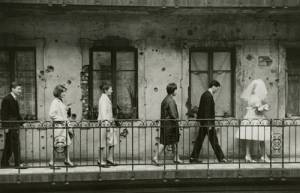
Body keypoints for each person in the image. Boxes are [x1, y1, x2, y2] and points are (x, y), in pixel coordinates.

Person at [190, 80, 229, 163]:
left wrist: (201, 121)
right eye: (217, 89)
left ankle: (193, 158)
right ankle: (222, 158)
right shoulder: (208, 96)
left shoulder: (205, 94)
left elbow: (200, 110)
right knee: (214, 141)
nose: (216, 91)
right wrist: (209, 124)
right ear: (214, 86)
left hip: (204, 123)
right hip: (208, 123)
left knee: (200, 140)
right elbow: (207, 111)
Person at [237, 79, 270, 162]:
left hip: (253, 117)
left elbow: (258, 107)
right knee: (252, 136)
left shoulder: (253, 96)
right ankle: (255, 155)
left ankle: (254, 155)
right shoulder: (255, 97)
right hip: (254, 117)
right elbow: (257, 108)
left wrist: (263, 107)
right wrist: (261, 107)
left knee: (257, 136)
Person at [152, 83, 182, 166]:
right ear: (173, 91)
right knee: (165, 142)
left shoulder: (165, 99)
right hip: (170, 125)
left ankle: (176, 157)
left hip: (166, 124)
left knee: (174, 141)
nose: (176, 91)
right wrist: (178, 121)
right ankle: (156, 157)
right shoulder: (170, 100)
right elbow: (173, 114)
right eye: (176, 90)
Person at [1, 81, 27, 169]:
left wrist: (23, 123)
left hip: (14, 125)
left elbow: (17, 114)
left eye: (20, 89)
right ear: (13, 89)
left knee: (9, 145)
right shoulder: (7, 99)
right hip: (10, 126)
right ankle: (17, 163)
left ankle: (4, 162)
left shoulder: (14, 98)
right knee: (15, 144)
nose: (20, 90)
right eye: (19, 89)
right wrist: (6, 127)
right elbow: (3, 114)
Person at [49, 85, 75, 167]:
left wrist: (67, 109)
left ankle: (67, 160)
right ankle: (52, 162)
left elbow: (65, 115)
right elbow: (52, 114)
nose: (64, 93)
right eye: (63, 92)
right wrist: (63, 119)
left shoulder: (60, 101)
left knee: (67, 144)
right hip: (59, 127)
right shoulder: (55, 102)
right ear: (58, 92)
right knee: (57, 144)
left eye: (65, 91)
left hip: (64, 127)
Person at [97, 84, 118, 167]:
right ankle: (100, 160)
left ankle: (110, 159)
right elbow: (103, 112)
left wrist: (111, 121)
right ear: (106, 90)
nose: (112, 91)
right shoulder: (103, 99)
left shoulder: (106, 98)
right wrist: (106, 124)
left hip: (109, 122)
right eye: (110, 89)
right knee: (102, 142)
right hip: (105, 123)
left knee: (112, 141)